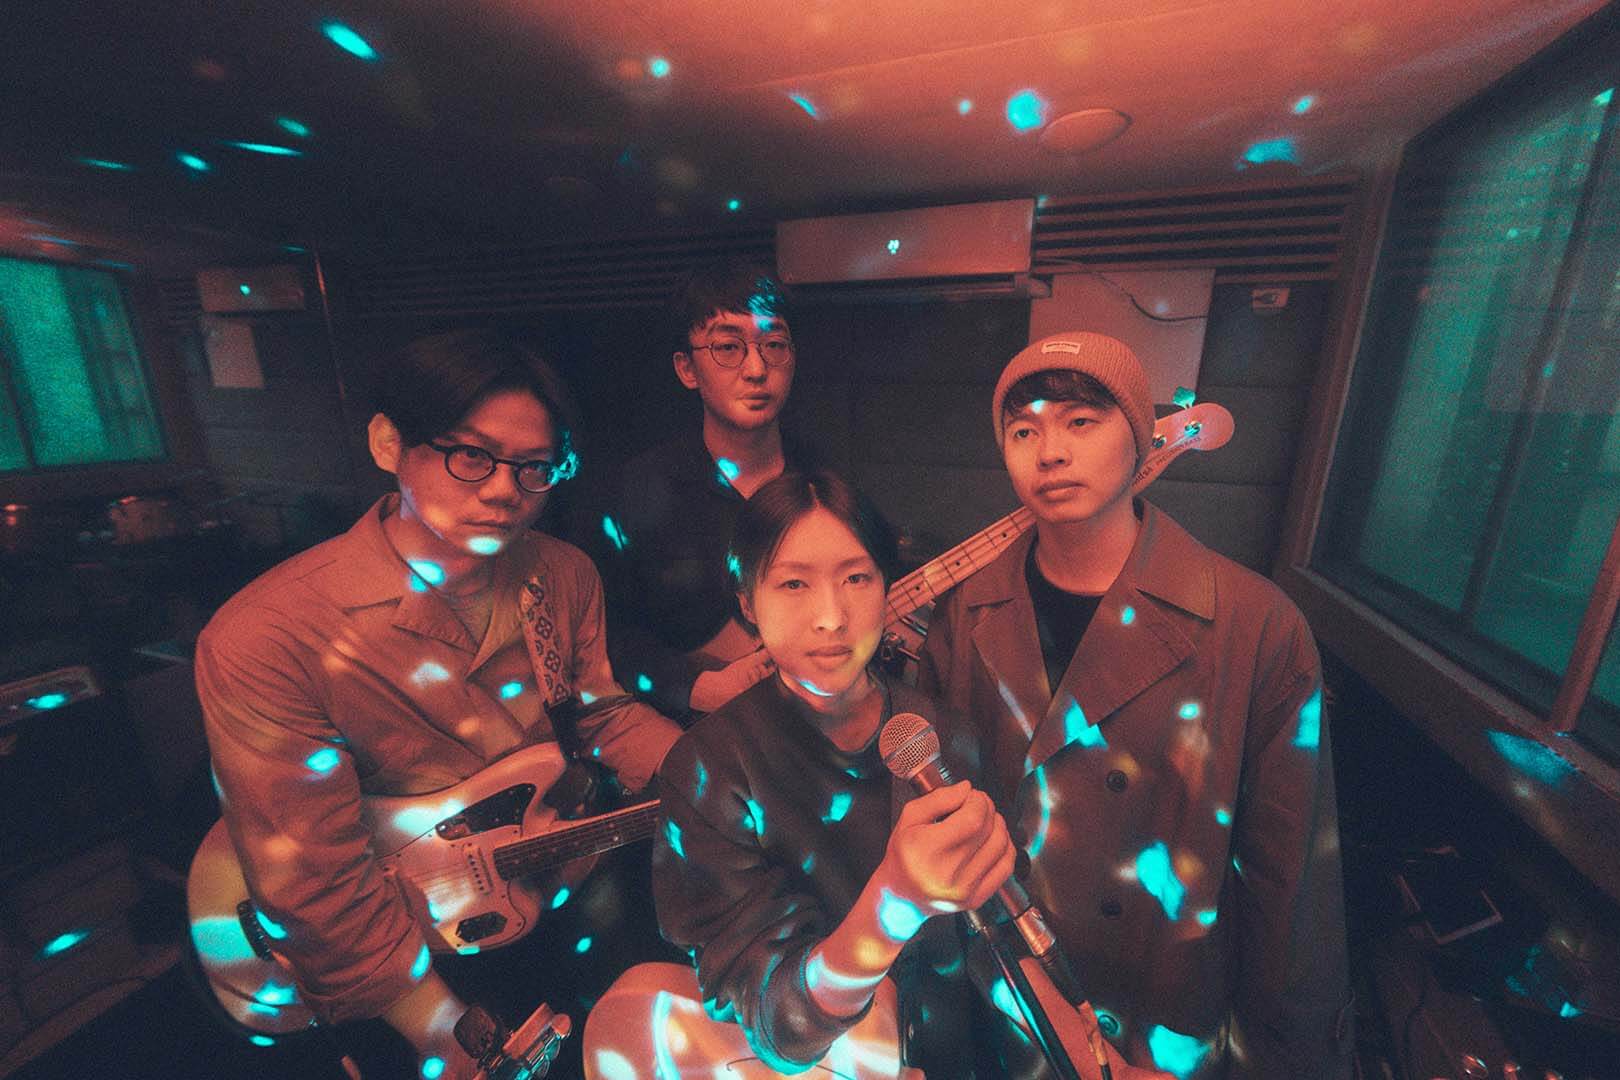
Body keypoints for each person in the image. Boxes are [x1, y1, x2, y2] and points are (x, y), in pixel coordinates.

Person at [194, 329, 682, 1079]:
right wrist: (433, 1025)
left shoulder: (563, 575)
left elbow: (598, 713)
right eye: (472, 455)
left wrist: (725, 771)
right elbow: (315, 880)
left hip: (553, 879)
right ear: (389, 442)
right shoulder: (270, 636)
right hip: (401, 952)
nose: (505, 491)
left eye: (535, 468)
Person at [918, 332, 1354, 1079]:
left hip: (1166, 1021)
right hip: (1012, 1005)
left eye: (1081, 422)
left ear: (1141, 439)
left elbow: (1291, 882)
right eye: (1023, 431)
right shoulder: (966, 612)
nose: (1051, 452)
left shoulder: (1254, 623)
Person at [585, 471, 1019, 1076]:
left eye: (856, 578)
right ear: (746, 602)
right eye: (793, 584)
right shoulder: (709, 768)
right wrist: (892, 906)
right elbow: (776, 1023)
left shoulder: (939, 734)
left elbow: (999, 944)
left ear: (887, 586)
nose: (831, 617)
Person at [598, 258, 815, 722]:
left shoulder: (823, 483)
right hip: (683, 733)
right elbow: (608, 632)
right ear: (687, 369)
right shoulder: (638, 489)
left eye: (774, 345)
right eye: (728, 347)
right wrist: (693, 687)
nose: (756, 368)